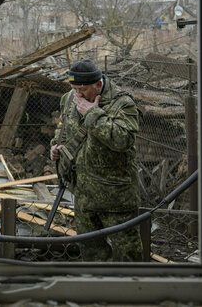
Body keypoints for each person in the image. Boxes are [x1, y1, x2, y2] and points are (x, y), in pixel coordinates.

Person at [49, 59, 143, 262]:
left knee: (127, 254)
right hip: (83, 194)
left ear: (98, 85)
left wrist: (92, 113)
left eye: (82, 90)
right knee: (91, 253)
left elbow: (122, 140)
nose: (78, 95)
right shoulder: (69, 99)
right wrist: (56, 147)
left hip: (115, 196)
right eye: (74, 89)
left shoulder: (122, 103)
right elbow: (62, 128)